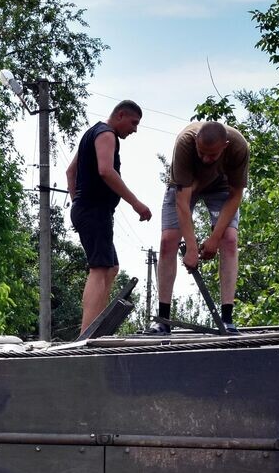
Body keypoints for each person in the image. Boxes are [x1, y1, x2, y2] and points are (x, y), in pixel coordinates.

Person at [148, 120, 250, 335]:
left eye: (212, 155)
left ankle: (227, 319)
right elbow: (182, 202)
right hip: (187, 186)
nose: (205, 159)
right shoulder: (185, 143)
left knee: (229, 240)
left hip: (222, 188)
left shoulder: (239, 147)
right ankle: (163, 320)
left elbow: (235, 195)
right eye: (201, 152)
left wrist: (214, 238)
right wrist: (192, 248)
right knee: (168, 241)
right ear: (196, 142)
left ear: (225, 146)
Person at [65, 100, 152, 335]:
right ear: (120, 115)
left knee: (111, 267)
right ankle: (87, 335)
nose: (134, 130)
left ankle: (97, 328)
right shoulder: (106, 134)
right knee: (100, 268)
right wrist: (136, 203)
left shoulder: (91, 133)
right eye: (133, 123)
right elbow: (106, 171)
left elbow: (70, 171)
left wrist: (77, 203)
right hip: (94, 210)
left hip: (89, 210)